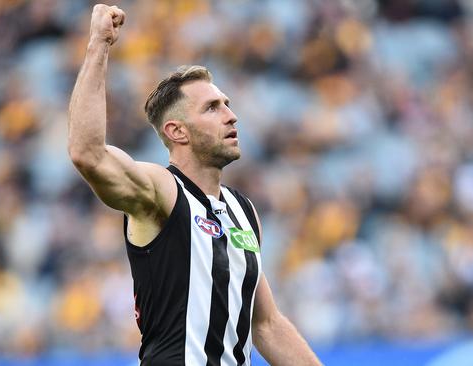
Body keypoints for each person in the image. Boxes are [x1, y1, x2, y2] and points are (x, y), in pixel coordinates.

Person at [68, 4, 323, 366]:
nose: (231, 115)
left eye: (227, 104)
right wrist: (99, 43)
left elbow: (266, 324)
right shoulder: (162, 191)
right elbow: (87, 154)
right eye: (212, 108)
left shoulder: (243, 210)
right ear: (177, 132)